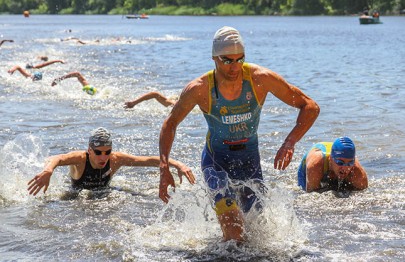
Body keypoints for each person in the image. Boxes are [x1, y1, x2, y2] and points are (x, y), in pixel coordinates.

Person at [159, 26, 320, 242]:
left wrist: (289, 142)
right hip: (216, 162)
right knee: (235, 235)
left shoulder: (260, 79)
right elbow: (170, 123)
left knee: (256, 234)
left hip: (250, 162)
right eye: (227, 60)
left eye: (239, 59)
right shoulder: (199, 88)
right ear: (214, 58)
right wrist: (164, 166)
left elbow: (310, 106)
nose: (235, 67)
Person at [28, 127, 195, 196]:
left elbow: (148, 160)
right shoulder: (80, 159)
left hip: (103, 191)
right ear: (90, 150)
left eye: (107, 152)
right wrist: (48, 171)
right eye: (98, 153)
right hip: (76, 193)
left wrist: (178, 164)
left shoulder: (115, 159)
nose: (103, 157)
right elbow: (57, 158)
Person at [297, 136, 368, 193]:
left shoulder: (358, 173)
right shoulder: (315, 165)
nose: (345, 168)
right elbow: (311, 196)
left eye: (350, 163)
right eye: (340, 163)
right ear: (330, 158)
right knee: (306, 192)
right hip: (308, 167)